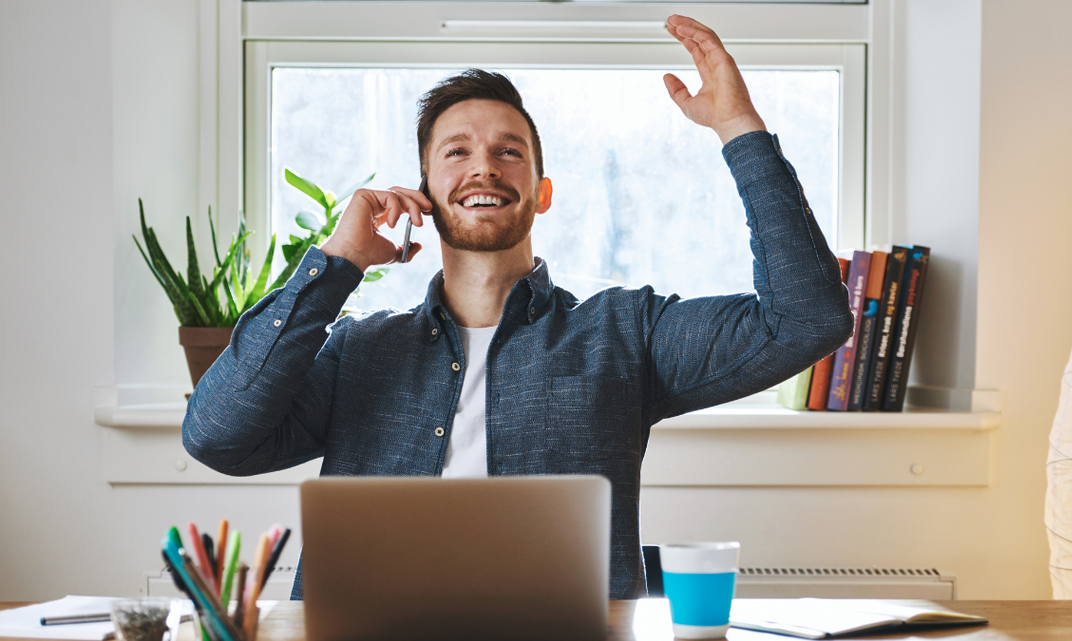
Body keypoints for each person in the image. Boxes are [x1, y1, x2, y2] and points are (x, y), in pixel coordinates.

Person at [183, 15, 853, 600]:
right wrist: (335, 265)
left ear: (542, 192)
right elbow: (216, 435)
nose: (485, 168)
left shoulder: (623, 333)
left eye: (510, 152)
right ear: (424, 191)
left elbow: (807, 318)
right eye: (457, 153)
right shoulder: (359, 353)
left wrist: (738, 126)